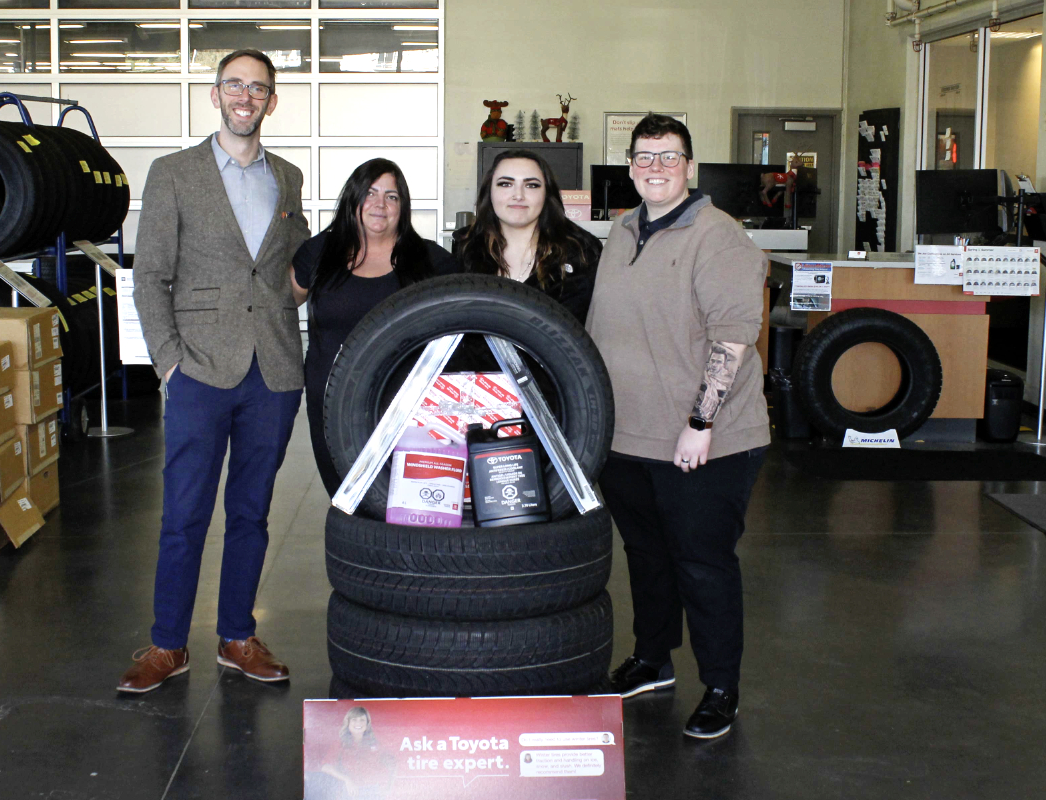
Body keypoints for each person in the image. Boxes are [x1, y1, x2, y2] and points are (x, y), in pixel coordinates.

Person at [121, 48, 310, 693]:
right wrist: (169, 363)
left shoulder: (288, 177)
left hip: (274, 371)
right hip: (198, 370)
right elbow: (150, 276)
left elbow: (292, 272)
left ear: (272, 101)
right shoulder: (173, 173)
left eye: (258, 88)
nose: (245, 97)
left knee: (251, 512)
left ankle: (236, 635)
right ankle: (167, 644)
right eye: (235, 85)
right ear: (216, 94)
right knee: (184, 514)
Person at [587, 114, 770, 739]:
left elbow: (733, 338)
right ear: (630, 165)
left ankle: (721, 687)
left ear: (690, 165)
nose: (656, 167)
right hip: (627, 436)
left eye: (669, 156)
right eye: (644, 156)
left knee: (702, 563)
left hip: (704, 440)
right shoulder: (621, 230)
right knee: (647, 557)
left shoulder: (719, 237)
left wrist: (700, 422)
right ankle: (652, 661)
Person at [291, 158, 459, 496]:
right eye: (370, 193)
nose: (379, 204)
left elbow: (462, 326)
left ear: (402, 206)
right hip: (331, 403)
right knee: (345, 495)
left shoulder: (430, 260)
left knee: (404, 500)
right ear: (352, 198)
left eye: (391, 196)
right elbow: (277, 307)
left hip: (407, 407)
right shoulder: (319, 252)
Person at [453, 148, 601, 322]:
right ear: (489, 191)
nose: (518, 195)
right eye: (505, 184)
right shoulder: (466, 248)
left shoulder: (581, 253)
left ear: (547, 193)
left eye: (531, 185)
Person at [306, 706, 393, 800]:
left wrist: (388, 786)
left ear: (367, 723)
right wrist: (346, 779)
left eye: (362, 720)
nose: (358, 723)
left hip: (373, 791)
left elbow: (391, 764)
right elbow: (325, 766)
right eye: (354, 720)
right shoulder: (341, 744)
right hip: (350, 792)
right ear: (348, 723)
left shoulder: (375, 743)